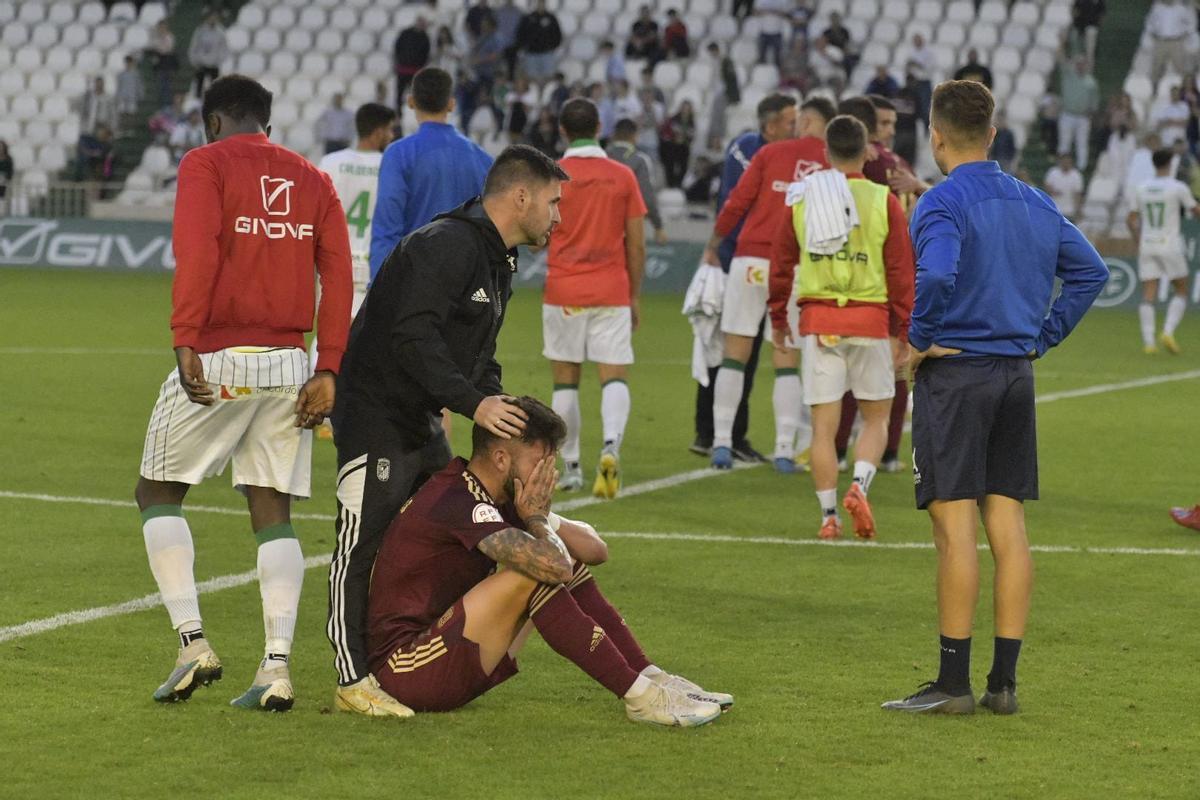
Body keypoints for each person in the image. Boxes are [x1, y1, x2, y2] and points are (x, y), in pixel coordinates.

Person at [882, 79, 1107, 715]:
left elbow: (942, 272)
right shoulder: (1035, 201)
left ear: (935, 135)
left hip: (957, 379)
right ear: (993, 132)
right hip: (1015, 375)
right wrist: (1043, 336)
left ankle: (953, 684)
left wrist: (920, 340)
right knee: (1008, 527)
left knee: (954, 532)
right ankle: (1003, 685)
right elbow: (1092, 271)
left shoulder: (938, 202)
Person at [135, 74, 353, 713]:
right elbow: (339, 275)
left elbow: (196, 249)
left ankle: (192, 643)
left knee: (157, 491)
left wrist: (185, 338)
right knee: (273, 509)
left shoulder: (205, 163)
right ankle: (277, 668)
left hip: (223, 356)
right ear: (267, 121)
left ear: (212, 122)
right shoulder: (312, 178)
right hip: (290, 364)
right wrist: (329, 367)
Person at [327, 144, 568, 716]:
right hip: (375, 413)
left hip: (423, 417)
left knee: (449, 528)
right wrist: (472, 404)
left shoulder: (499, 259)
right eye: (554, 202)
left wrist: (498, 407)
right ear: (521, 196)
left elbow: (477, 358)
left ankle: (426, 643)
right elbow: (413, 338)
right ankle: (351, 678)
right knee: (360, 542)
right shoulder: (447, 245)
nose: (559, 216)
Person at [365, 396, 731, 725]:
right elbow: (553, 566)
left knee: (553, 556)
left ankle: (652, 678)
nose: (548, 476)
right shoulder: (457, 501)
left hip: (445, 654)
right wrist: (537, 520)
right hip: (406, 669)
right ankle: (640, 697)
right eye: (541, 463)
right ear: (501, 458)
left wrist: (542, 517)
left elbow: (595, 550)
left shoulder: (497, 496)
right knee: (534, 570)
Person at [767, 114, 914, 539]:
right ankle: (860, 485)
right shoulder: (883, 199)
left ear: (826, 152)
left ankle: (828, 517)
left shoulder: (803, 197)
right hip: (869, 321)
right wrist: (901, 329)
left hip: (820, 322)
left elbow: (782, 264)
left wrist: (779, 317)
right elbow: (901, 270)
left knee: (824, 428)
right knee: (875, 418)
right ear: (867, 151)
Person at [702, 96, 834, 472]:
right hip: (796, 265)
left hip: (749, 260)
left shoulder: (770, 154)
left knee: (735, 352)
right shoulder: (831, 163)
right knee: (786, 356)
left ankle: (722, 443)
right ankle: (782, 450)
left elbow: (736, 203)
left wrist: (714, 244)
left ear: (806, 121)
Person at [689, 94, 802, 461]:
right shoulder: (758, 151)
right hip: (738, 255)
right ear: (771, 125)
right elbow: (735, 202)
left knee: (733, 349)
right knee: (732, 350)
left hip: (741, 256)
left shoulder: (753, 149)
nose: (795, 127)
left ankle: (720, 434)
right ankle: (721, 434)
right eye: (789, 121)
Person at [544, 99, 647, 498]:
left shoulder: (552, 176)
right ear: (600, 125)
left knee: (566, 382)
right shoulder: (622, 176)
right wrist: (634, 295)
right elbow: (636, 245)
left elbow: (537, 239)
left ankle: (571, 467)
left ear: (563, 131)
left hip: (564, 289)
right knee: (614, 375)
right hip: (611, 289)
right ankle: (610, 447)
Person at [369, 67, 494, 283]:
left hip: (415, 281)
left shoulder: (399, 154)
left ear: (410, 102)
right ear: (451, 104)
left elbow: (387, 226)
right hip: (466, 282)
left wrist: (380, 287)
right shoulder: (483, 159)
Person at [315, 103, 398, 366]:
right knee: (371, 341)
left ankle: (312, 398)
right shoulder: (390, 164)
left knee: (327, 336)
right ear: (378, 132)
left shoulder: (330, 163)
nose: (392, 136)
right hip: (374, 264)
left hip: (334, 263)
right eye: (389, 130)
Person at [1127, 148, 1200, 354]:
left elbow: (1131, 219)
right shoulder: (1177, 187)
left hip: (1147, 244)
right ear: (1170, 164)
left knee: (1148, 292)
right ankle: (1167, 331)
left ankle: (1149, 343)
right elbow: (1195, 211)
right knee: (1182, 289)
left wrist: (1138, 240)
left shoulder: (1141, 188)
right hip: (1169, 243)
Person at [607, 117, 666, 244]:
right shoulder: (640, 161)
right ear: (635, 136)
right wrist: (658, 225)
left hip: (598, 225)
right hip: (628, 227)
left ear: (613, 135)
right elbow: (647, 197)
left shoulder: (600, 157)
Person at [1058, 53, 1099, 169]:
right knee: (1064, 141)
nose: (1080, 66)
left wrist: (1090, 114)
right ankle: (1061, 164)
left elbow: (1094, 101)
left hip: (1083, 116)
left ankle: (1082, 167)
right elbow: (1061, 60)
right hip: (1067, 114)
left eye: (1083, 64)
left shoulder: (1091, 82)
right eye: (1078, 64)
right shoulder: (1068, 75)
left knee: (1082, 143)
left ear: (1086, 66)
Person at [516, 0, 563, 85]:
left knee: (548, 78)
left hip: (546, 53)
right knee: (532, 78)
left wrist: (553, 46)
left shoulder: (551, 18)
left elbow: (557, 34)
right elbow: (521, 34)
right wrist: (524, 46)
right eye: (539, 3)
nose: (540, 5)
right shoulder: (528, 18)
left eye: (542, 3)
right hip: (531, 54)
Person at [393, 17, 432, 114]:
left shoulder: (425, 37)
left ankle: (418, 113)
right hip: (403, 69)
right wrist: (398, 61)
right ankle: (398, 115)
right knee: (399, 95)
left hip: (415, 71)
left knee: (417, 94)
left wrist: (421, 66)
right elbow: (397, 47)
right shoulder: (405, 33)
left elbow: (426, 54)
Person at [1148, 0, 1192, 85]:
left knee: (1181, 66)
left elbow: (1189, 23)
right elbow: (1150, 22)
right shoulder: (1157, 8)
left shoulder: (1181, 8)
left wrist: (1186, 33)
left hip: (1176, 41)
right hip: (1161, 41)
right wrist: (1152, 33)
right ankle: (1154, 89)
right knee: (1157, 66)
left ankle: (1186, 90)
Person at [187, 12, 227, 98]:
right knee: (199, 87)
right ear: (207, 18)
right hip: (202, 63)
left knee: (215, 87)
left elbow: (224, 48)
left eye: (214, 18)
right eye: (211, 18)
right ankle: (197, 102)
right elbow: (194, 46)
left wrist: (219, 60)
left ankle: (213, 101)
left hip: (214, 64)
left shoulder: (221, 32)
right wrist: (194, 60)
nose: (212, 20)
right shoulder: (200, 31)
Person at [658, 100, 696, 189]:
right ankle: (670, 184)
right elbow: (666, 132)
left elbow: (692, 135)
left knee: (683, 166)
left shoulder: (691, 121)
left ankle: (679, 184)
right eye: (684, 108)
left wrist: (684, 138)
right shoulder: (673, 119)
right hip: (672, 146)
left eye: (687, 108)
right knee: (670, 165)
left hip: (684, 147)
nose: (685, 110)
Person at [146, 19, 178, 107]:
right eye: (160, 27)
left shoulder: (170, 37)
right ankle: (162, 103)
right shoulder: (154, 37)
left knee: (167, 84)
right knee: (161, 84)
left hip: (167, 61)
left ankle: (167, 103)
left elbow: (169, 48)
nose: (162, 29)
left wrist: (160, 48)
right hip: (159, 62)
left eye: (163, 27)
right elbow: (152, 47)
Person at [1044, 153, 1084, 220]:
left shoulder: (1076, 175)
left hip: (1070, 210)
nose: (1066, 163)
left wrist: (1078, 209)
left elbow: (1078, 194)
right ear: (1060, 162)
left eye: (1068, 162)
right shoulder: (1053, 172)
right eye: (1064, 161)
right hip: (1054, 208)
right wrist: (1053, 191)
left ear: (1071, 162)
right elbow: (1047, 186)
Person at [1070, 0, 1105, 65]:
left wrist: (1098, 26)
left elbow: (1102, 13)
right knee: (1076, 51)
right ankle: (1074, 70)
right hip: (1079, 27)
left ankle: (1088, 71)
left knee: (1089, 52)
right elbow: (1075, 9)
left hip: (1091, 26)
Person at [755, 0, 789, 67]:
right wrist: (767, 11)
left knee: (777, 58)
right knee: (761, 56)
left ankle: (776, 74)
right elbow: (755, 12)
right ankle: (761, 73)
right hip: (764, 31)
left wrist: (775, 12)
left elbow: (786, 14)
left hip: (777, 31)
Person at [116, 55, 145, 121]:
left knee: (132, 113)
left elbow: (139, 85)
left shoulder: (136, 74)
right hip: (122, 97)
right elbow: (119, 86)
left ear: (132, 63)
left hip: (132, 97)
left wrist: (141, 95)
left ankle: (131, 128)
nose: (128, 64)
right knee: (122, 112)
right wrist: (117, 96)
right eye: (127, 62)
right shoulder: (121, 74)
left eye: (129, 62)